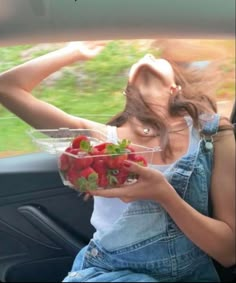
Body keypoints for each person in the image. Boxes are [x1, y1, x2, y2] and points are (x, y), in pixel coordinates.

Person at [0, 41, 235, 282]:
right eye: (139, 62)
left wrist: (165, 194)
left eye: (156, 58)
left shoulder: (212, 135)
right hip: (108, 273)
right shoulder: (100, 139)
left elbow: (228, 252)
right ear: (128, 91)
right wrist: (75, 51)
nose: (147, 56)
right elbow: (7, 87)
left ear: (175, 88)